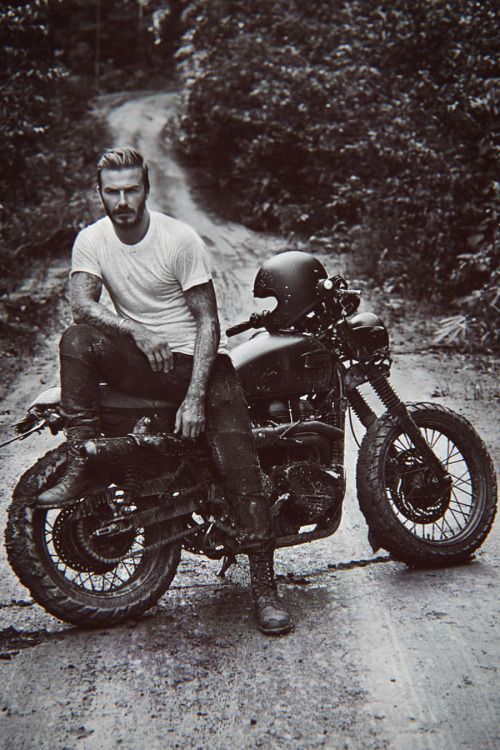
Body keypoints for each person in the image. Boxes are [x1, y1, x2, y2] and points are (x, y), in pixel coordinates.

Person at [37, 147, 292, 636]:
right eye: (112, 192)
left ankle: (264, 588)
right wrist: (135, 333)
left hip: (196, 365)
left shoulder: (179, 239)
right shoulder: (92, 240)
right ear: (100, 193)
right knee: (76, 342)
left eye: (131, 189)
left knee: (241, 464)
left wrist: (195, 397)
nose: (122, 200)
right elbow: (82, 308)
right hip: (146, 357)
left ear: (146, 189)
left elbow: (208, 322)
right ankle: (81, 457)